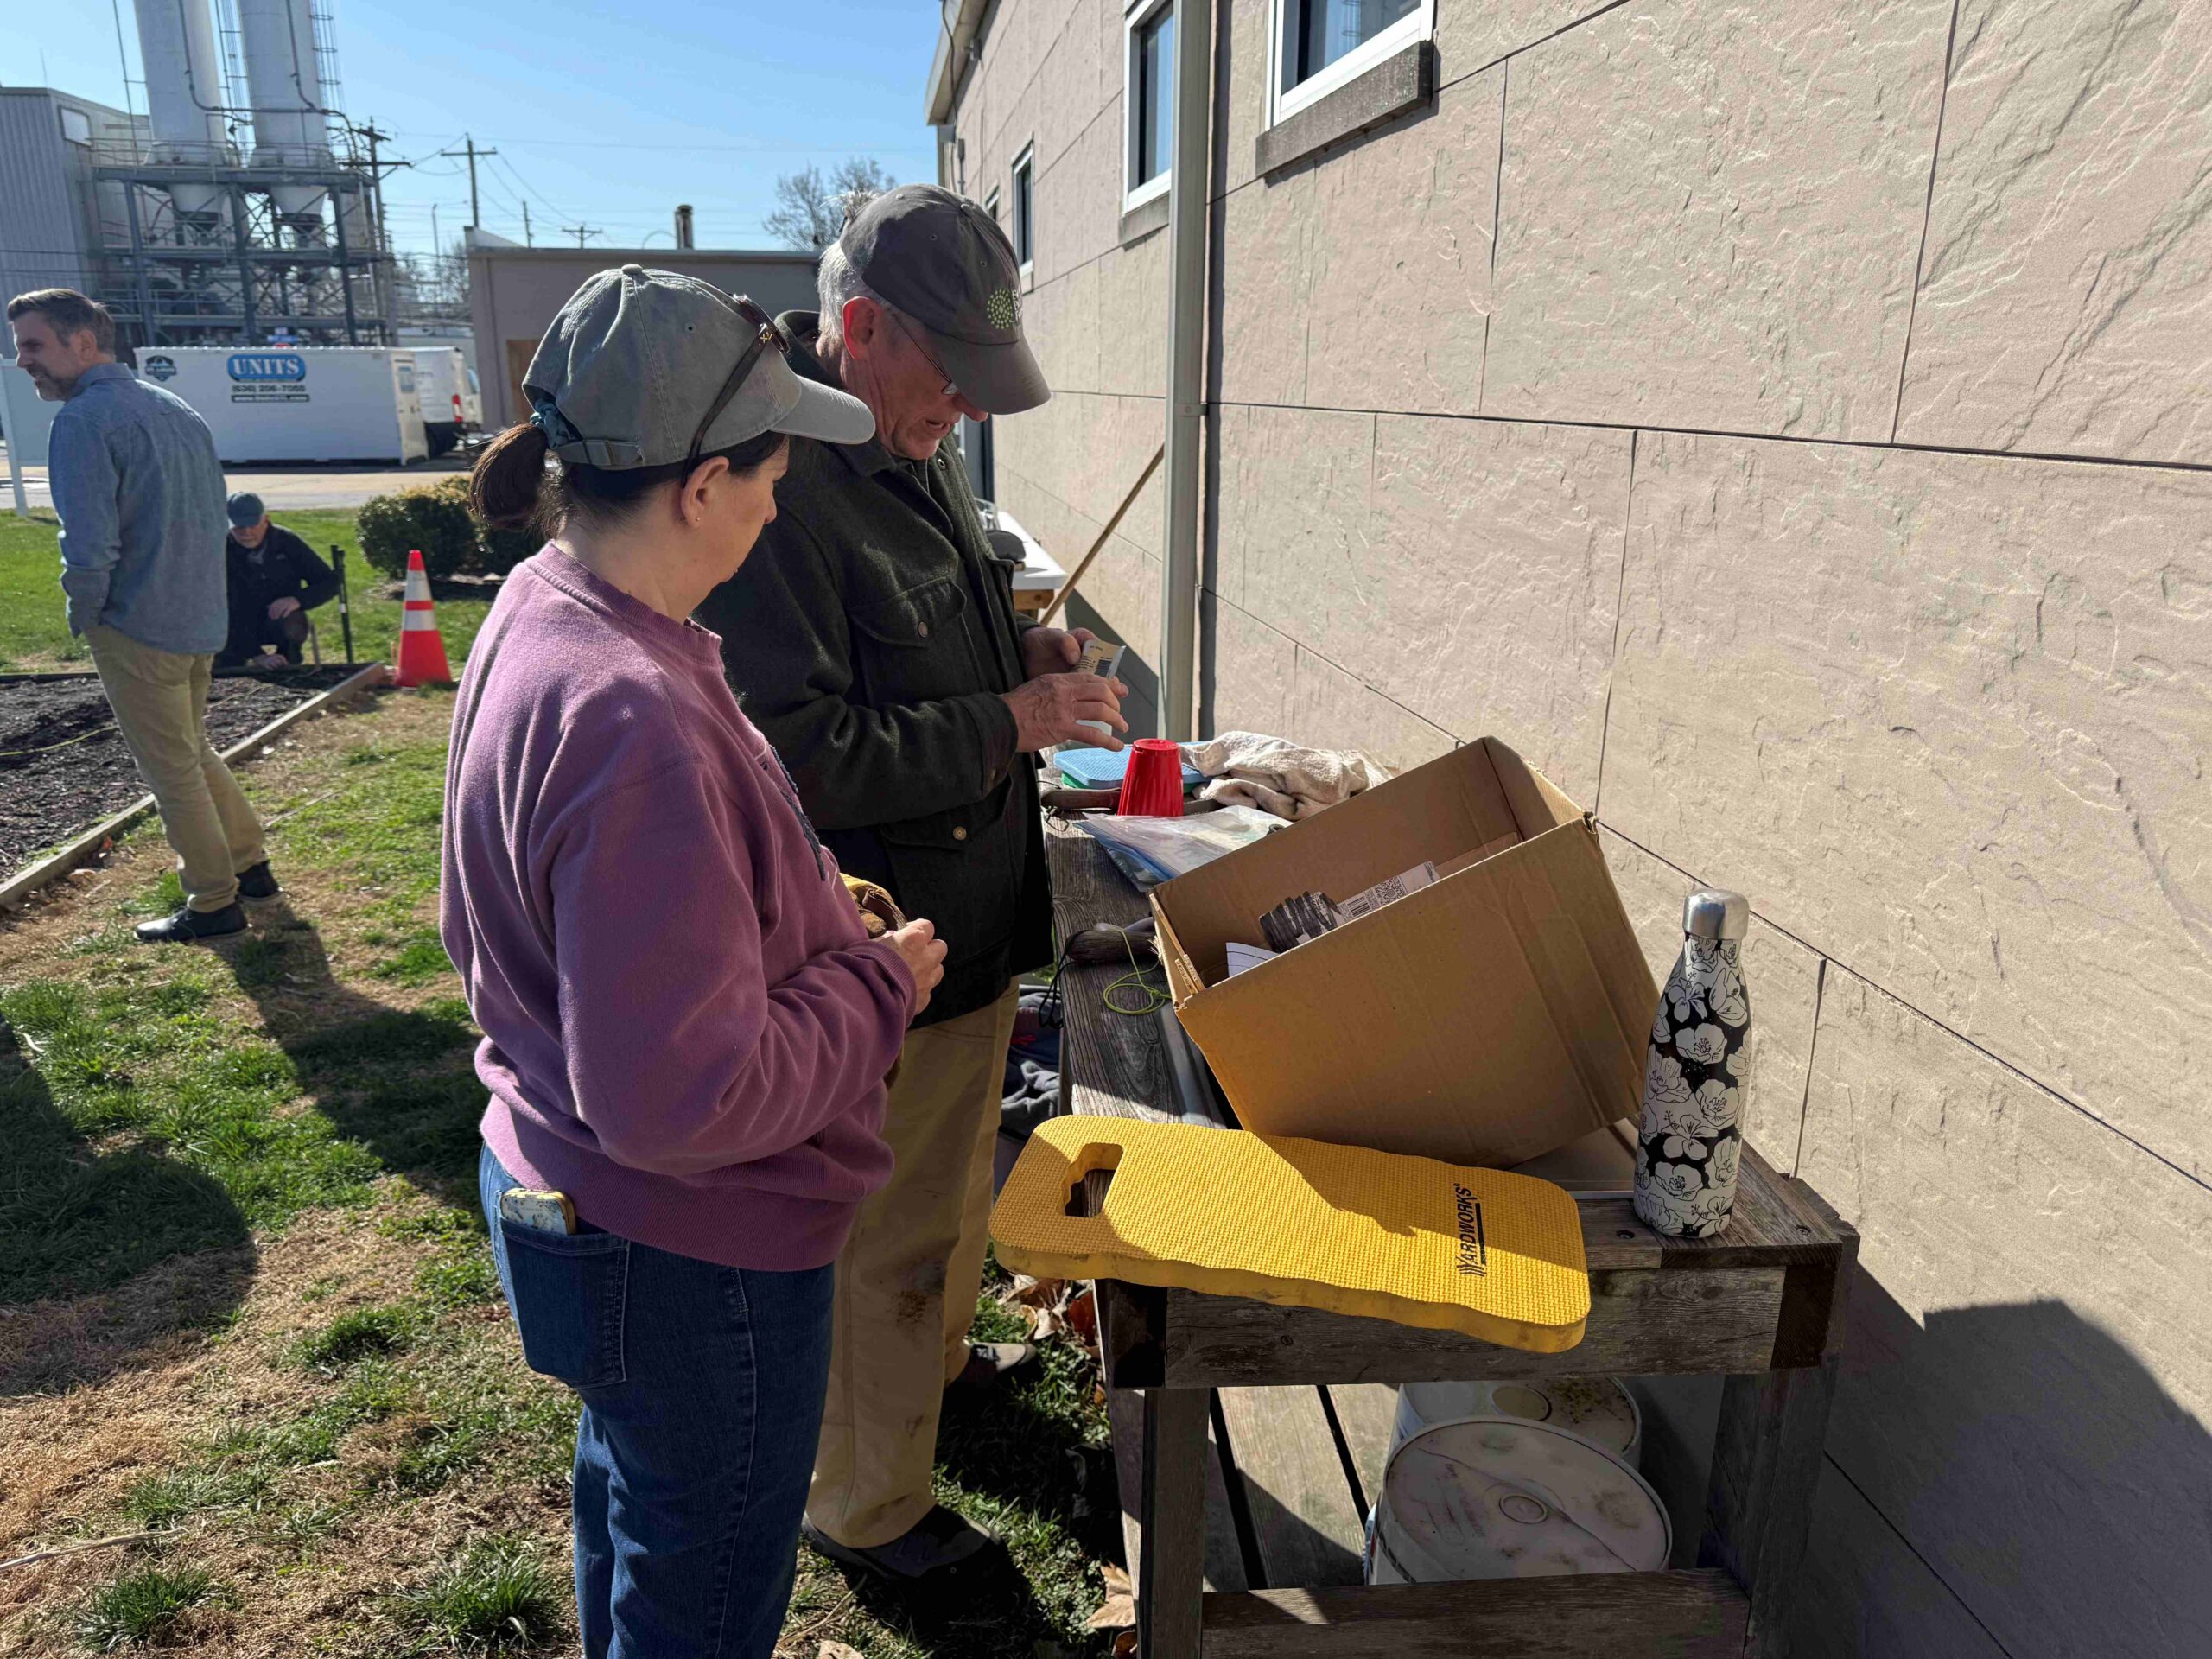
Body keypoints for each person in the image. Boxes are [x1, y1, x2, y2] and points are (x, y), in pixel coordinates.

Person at [441, 264, 947, 1659]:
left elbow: (515, 916)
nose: (784, 501)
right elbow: (680, 1101)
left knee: (638, 1504)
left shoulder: (549, 612)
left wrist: (786, 909)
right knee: (705, 1586)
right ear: (705, 483)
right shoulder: (632, 714)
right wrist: (872, 984)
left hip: (563, 1189)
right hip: (690, 1250)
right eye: (775, 466)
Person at [695, 185, 1128, 1583]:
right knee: (870, 1237)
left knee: (941, 1202)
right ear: (859, 327)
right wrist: (1013, 724)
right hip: (867, 953)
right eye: (951, 373)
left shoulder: (913, 441)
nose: (969, 409)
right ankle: (862, 1504)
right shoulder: (778, 490)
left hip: (975, 920)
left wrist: (1029, 662)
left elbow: (947, 621)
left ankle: (928, 1383)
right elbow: (802, 762)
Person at [7, 288, 276, 944]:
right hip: (196, 617)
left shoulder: (82, 421)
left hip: (136, 622)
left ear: (84, 342)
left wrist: (88, 613)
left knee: (171, 770)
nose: (22, 362)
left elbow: (89, 543)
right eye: (19, 347)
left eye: (34, 345)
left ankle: (214, 902)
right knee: (190, 751)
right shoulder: (175, 407)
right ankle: (251, 867)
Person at [217, 493, 339, 669]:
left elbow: (329, 582)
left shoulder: (287, 541)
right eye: (239, 527)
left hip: (278, 619)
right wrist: (257, 655)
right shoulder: (220, 548)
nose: (246, 533)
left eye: (252, 525)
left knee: (291, 617)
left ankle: (288, 658)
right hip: (235, 621)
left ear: (266, 520)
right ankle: (235, 661)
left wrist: (297, 600)